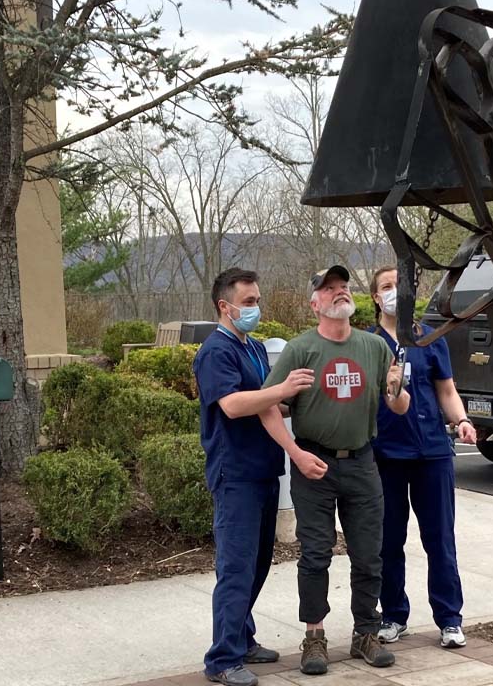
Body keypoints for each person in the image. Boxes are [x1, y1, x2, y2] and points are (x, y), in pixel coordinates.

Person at [258, 264, 410, 676]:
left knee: (369, 554)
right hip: (314, 464)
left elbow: (398, 403)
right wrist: (295, 453)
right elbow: (267, 405)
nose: (339, 293)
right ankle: (315, 637)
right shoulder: (300, 349)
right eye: (329, 289)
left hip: (361, 462)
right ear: (315, 304)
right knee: (315, 556)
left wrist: (396, 389)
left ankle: (366, 632)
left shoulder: (375, 347)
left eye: (343, 287)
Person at [193, 267, 323, 686]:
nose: (256, 308)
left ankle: (242, 638)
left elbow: (265, 404)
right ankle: (223, 659)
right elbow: (232, 405)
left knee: (258, 565)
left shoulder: (249, 347)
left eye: (257, 300)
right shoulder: (217, 351)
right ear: (224, 306)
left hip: (263, 470)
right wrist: (282, 390)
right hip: (236, 475)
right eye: (248, 302)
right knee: (236, 567)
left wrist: (298, 403)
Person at [368, 266, 476, 649]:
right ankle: (394, 616)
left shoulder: (430, 337)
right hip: (385, 457)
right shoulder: (368, 344)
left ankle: (449, 619)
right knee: (388, 541)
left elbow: (446, 390)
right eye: (387, 287)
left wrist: (461, 420)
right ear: (376, 298)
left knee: (440, 540)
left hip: (433, 454)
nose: (396, 292)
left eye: (402, 285)